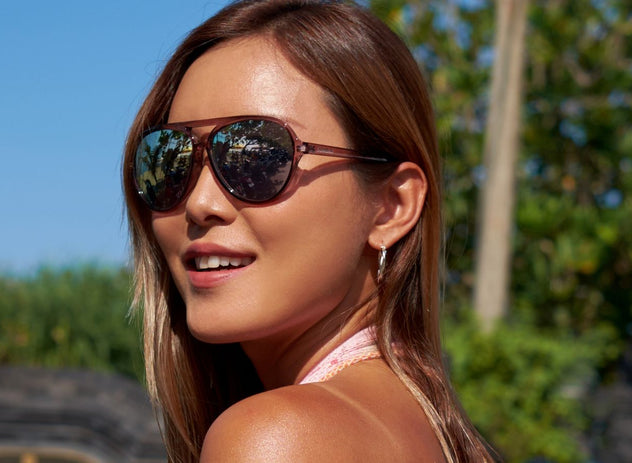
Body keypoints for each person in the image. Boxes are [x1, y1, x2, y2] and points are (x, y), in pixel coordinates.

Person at [122, 1, 495, 461]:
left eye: (258, 157)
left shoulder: (275, 439)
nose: (200, 203)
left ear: (391, 207)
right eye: (169, 161)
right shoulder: (424, 428)